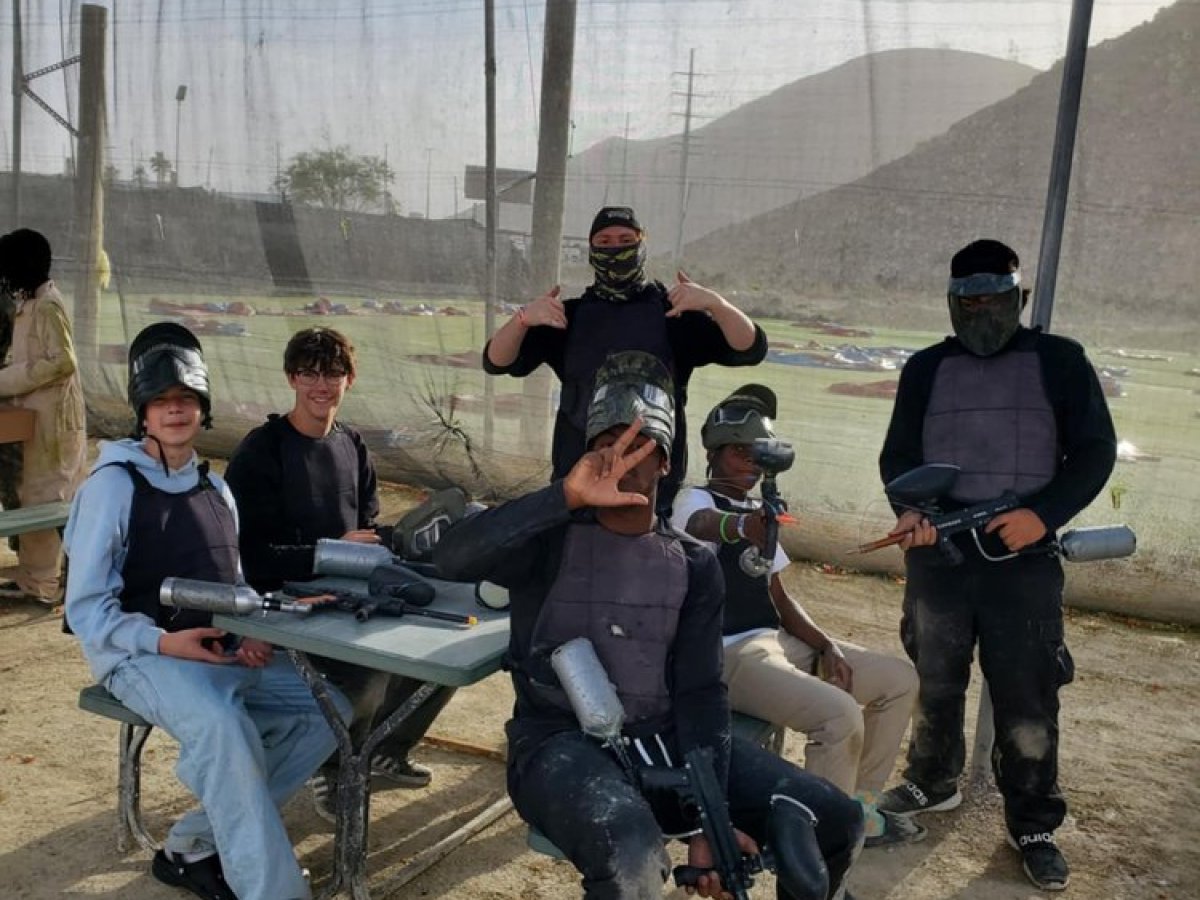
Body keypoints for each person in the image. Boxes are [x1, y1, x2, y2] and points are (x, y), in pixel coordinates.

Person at [435, 351, 863, 900]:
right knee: (631, 856)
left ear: (665, 462)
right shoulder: (548, 541)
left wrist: (708, 816)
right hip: (556, 744)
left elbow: (701, 692)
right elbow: (451, 558)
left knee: (838, 819)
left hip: (668, 737)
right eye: (608, 443)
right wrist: (562, 497)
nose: (623, 457)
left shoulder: (692, 564)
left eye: (642, 444)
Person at [64, 322, 347, 900]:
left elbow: (232, 582)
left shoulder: (215, 490)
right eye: (161, 401)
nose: (175, 410)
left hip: (217, 647)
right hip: (138, 656)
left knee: (328, 710)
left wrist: (253, 630)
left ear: (202, 409)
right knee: (224, 729)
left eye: (186, 399)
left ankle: (194, 841)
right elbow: (86, 609)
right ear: (143, 413)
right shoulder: (113, 486)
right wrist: (164, 642)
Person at [876, 240, 1117, 892]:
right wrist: (911, 511)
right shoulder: (926, 369)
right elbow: (899, 456)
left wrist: (1044, 514)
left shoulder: (1060, 361)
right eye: (969, 301)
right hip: (940, 556)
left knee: (1027, 694)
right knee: (934, 677)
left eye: (995, 299)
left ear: (1020, 298)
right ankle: (933, 780)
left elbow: (1095, 451)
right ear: (952, 303)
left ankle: (1033, 823)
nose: (982, 312)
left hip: (1024, 558)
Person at [672, 384, 923, 848]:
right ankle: (823, 840)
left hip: (776, 643)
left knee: (899, 681)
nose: (749, 463)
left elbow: (779, 597)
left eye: (756, 454)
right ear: (713, 454)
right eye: (738, 452)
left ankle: (860, 811)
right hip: (726, 654)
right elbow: (700, 526)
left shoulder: (758, 510)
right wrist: (743, 526)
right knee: (839, 716)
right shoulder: (696, 501)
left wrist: (827, 646)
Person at [224, 326, 453, 823]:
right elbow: (249, 555)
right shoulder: (261, 450)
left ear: (350, 379)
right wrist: (328, 552)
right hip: (285, 606)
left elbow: (367, 530)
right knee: (366, 676)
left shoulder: (351, 443)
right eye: (308, 374)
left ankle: (386, 751)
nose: (321, 385)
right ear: (291, 378)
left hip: (350, 597)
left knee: (440, 653)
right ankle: (332, 770)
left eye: (332, 373)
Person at [482, 205, 767, 513]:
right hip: (578, 481)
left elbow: (750, 348)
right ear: (591, 250)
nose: (616, 249)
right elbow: (496, 361)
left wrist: (716, 304)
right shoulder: (568, 317)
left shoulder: (673, 313)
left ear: (642, 244)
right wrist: (523, 319)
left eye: (626, 240)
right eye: (604, 242)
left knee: (645, 541)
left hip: (653, 488)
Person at [0, 228, 86, 604]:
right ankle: (33, 578)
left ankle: (46, 585)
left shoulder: (48, 305)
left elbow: (64, 361)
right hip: (38, 415)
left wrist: (6, 380)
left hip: (55, 422)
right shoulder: (32, 302)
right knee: (33, 494)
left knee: (48, 497)